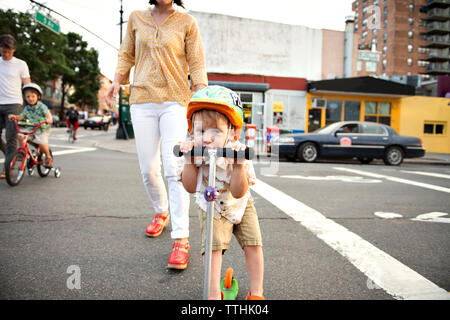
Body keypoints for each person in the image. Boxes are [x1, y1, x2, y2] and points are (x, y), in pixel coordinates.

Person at [104, 0, 208, 270]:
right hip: (141, 100)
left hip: (175, 101)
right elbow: (126, 54)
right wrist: (116, 81)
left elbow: (196, 61)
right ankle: (161, 211)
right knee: (148, 169)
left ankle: (181, 238)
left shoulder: (187, 22)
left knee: (173, 168)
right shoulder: (137, 18)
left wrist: (201, 94)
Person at [178, 86, 264, 300]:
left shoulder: (239, 152)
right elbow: (189, 187)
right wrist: (189, 161)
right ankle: (214, 294)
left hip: (240, 203)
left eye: (215, 131)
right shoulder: (194, 151)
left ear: (233, 132)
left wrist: (238, 166)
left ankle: (256, 292)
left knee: (253, 244)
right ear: (191, 131)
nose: (206, 138)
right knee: (213, 250)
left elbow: (238, 192)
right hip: (212, 207)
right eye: (200, 131)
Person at [0, 34, 31, 178]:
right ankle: (11, 157)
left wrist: (32, 104)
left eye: (8, 51)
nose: (5, 54)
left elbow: (27, 85)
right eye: (3, 50)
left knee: (11, 136)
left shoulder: (21, 64)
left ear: (13, 50)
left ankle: (7, 168)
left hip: (14, 104)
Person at [8, 83, 53, 167]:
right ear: (25, 98)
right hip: (31, 128)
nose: (30, 98)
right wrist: (15, 117)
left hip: (42, 128)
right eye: (28, 96)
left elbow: (48, 115)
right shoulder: (27, 108)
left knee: (42, 143)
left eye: (33, 96)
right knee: (20, 135)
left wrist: (49, 119)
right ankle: (22, 152)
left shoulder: (42, 106)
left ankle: (48, 156)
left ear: (38, 96)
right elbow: (21, 116)